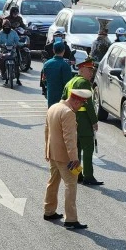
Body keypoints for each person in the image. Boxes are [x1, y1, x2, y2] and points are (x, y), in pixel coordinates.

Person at [43, 89, 93, 230]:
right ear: (76, 101)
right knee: (71, 185)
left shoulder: (53, 107)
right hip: (65, 157)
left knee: (52, 182)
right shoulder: (68, 113)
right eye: (81, 105)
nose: (80, 108)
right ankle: (71, 219)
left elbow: (47, 131)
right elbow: (70, 139)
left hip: (53, 153)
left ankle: (49, 211)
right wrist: (74, 158)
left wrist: (47, 151)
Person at [62, 57, 103, 186]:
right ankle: (88, 176)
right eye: (89, 70)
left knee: (76, 149)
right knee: (88, 149)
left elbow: (63, 99)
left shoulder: (70, 82)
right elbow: (89, 104)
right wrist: (94, 121)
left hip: (71, 119)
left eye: (92, 71)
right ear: (81, 69)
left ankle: (77, 175)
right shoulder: (84, 83)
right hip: (84, 121)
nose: (91, 73)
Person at [0, 20, 21, 86]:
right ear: (3, 27)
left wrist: (18, 44)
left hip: (12, 50)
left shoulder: (13, 32)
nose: (7, 28)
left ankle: (18, 79)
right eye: (5, 26)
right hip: (3, 51)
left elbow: (17, 40)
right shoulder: (0, 33)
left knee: (16, 64)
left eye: (8, 26)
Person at [43, 41, 73, 107]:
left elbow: (44, 79)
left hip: (50, 94)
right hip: (62, 97)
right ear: (64, 51)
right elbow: (68, 83)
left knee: (51, 114)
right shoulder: (65, 65)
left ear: (53, 50)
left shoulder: (46, 64)